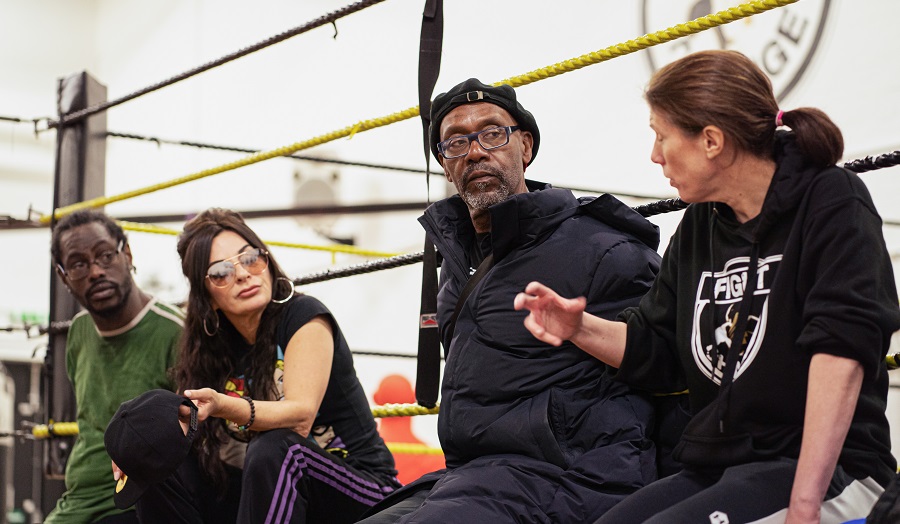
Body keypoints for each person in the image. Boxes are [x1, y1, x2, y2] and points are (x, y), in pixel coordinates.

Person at [515, 50, 900, 524]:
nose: (655, 155)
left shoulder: (831, 199)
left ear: (712, 141)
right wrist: (577, 326)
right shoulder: (702, 222)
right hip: (722, 465)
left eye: (661, 136)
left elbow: (842, 353)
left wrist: (804, 505)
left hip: (832, 472)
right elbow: (656, 347)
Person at [360, 78, 667, 523]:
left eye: (492, 133)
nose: (475, 151)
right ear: (446, 166)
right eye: (455, 142)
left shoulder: (602, 248)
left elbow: (666, 360)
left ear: (525, 146)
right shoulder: (457, 264)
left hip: (572, 475)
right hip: (471, 475)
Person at [113, 208, 399, 523]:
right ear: (206, 295)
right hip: (273, 491)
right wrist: (144, 448)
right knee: (162, 465)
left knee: (276, 448)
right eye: (221, 272)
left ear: (266, 261)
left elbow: (300, 417)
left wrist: (223, 405)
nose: (243, 274)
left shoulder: (305, 316)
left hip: (362, 487)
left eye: (250, 258)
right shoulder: (210, 348)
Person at [45, 210, 184, 524]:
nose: (95, 271)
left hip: (137, 499)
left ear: (127, 254)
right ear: (64, 276)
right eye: (79, 264)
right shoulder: (79, 332)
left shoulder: (175, 332)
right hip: (78, 499)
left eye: (105, 255)